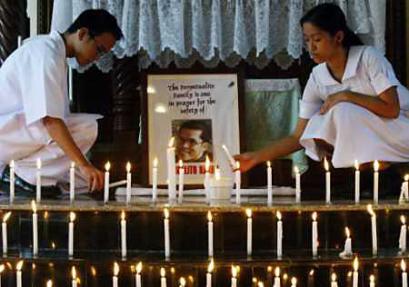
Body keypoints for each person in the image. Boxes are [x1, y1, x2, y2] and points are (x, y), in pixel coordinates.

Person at [236, 3, 409, 177]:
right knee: (321, 120)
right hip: (370, 144)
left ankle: (382, 167)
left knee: (340, 111)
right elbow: (299, 136)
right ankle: (362, 174)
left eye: (317, 39)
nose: (311, 48)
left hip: (401, 130)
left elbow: (392, 109)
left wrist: (346, 96)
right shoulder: (318, 77)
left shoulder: (368, 58)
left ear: (338, 37)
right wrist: (255, 157)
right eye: (307, 40)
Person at [0, 9, 123, 196]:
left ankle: (33, 177)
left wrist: (85, 168)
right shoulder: (45, 53)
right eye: (99, 50)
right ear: (82, 33)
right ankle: (20, 175)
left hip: (16, 136)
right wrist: (83, 165)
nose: (97, 58)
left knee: (85, 178)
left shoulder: (53, 53)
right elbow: (49, 120)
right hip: (6, 137)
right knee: (86, 127)